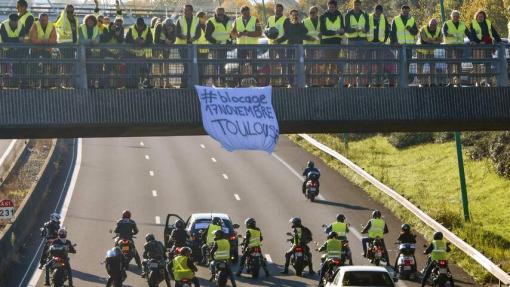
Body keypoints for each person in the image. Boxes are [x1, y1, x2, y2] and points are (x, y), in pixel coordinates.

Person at [469, 10, 501, 87]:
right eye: (479, 16)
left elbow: (493, 32)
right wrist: (476, 41)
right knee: (477, 64)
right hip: (477, 46)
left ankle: (488, 82)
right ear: (476, 17)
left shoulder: (488, 22)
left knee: (488, 64)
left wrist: (499, 40)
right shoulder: (472, 23)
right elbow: (472, 34)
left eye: (482, 16)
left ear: (484, 17)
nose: (480, 18)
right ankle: (477, 82)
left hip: (487, 45)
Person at [232, 5, 262, 86]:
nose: (247, 15)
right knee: (241, 64)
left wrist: (247, 33)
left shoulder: (255, 19)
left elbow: (259, 32)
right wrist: (237, 34)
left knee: (253, 65)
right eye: (245, 13)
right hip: (241, 46)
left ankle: (254, 82)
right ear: (241, 13)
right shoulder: (236, 20)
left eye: (248, 13)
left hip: (252, 46)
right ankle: (240, 83)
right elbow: (233, 32)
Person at [390, 4, 418, 86]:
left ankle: (405, 82)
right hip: (400, 46)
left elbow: (416, 32)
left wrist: (410, 29)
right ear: (401, 10)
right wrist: (394, 42)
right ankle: (399, 82)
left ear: (409, 10)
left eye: (407, 9)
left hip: (409, 45)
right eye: (404, 9)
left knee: (408, 63)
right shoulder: (396, 19)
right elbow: (392, 32)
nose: (405, 11)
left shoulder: (412, 19)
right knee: (399, 63)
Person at [442, 10, 471, 87]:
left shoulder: (462, 24)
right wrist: (451, 35)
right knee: (449, 64)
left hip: (459, 46)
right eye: (454, 16)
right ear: (451, 16)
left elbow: (469, 34)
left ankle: (458, 82)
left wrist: (473, 41)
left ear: (459, 17)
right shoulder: (447, 23)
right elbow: (444, 33)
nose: (456, 17)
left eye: (457, 16)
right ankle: (451, 82)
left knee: (458, 64)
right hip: (449, 46)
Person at [175, 4, 201, 88]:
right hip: (182, 45)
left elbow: (198, 33)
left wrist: (193, 39)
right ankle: (184, 82)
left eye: (187, 10)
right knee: (186, 65)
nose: (185, 12)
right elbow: (177, 32)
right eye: (184, 10)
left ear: (191, 11)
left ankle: (188, 82)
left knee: (192, 65)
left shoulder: (197, 20)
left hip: (192, 46)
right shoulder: (180, 19)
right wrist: (183, 37)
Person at [320, 0, 345, 86]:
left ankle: (330, 81)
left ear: (336, 7)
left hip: (336, 42)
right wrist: (335, 32)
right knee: (326, 63)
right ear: (327, 7)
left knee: (333, 63)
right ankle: (324, 82)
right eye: (329, 7)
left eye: (333, 7)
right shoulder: (323, 16)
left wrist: (342, 31)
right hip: (326, 43)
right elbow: (323, 31)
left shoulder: (340, 16)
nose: (331, 8)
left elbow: (342, 29)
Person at [345, 0, 369, 87]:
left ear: (360, 5)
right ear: (353, 5)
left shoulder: (365, 14)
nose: (357, 6)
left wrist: (364, 30)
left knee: (362, 62)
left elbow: (368, 28)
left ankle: (360, 82)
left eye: (358, 4)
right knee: (351, 62)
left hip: (362, 40)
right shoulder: (348, 15)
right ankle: (352, 82)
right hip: (352, 40)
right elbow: (346, 28)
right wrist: (354, 30)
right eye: (355, 4)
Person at [205, 7, 232, 86]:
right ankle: (215, 83)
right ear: (215, 13)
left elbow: (229, 33)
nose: (220, 16)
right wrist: (216, 42)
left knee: (222, 65)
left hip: (224, 47)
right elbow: (207, 36)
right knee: (215, 66)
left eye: (221, 14)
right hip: (215, 47)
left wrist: (229, 41)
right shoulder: (211, 21)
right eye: (218, 14)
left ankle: (222, 83)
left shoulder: (228, 21)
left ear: (224, 13)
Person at [54, 4, 79, 88]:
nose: (69, 13)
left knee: (70, 65)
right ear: (65, 11)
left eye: (71, 12)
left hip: (73, 45)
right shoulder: (61, 19)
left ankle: (68, 83)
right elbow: (59, 30)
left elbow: (77, 32)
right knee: (64, 64)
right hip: (63, 44)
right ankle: (61, 83)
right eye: (67, 11)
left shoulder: (76, 19)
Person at [29, 13, 57, 89]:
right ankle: (34, 84)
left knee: (46, 68)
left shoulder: (52, 26)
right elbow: (33, 39)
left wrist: (44, 41)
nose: (43, 22)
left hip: (47, 51)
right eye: (41, 20)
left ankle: (45, 84)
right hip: (36, 50)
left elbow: (54, 39)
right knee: (34, 67)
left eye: (45, 20)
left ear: (47, 20)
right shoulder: (35, 25)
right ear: (39, 19)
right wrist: (45, 41)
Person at [266, 4, 291, 86]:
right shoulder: (270, 18)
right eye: (277, 10)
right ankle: (272, 81)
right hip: (271, 45)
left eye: (280, 10)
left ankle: (283, 81)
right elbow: (266, 29)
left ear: (282, 11)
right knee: (272, 63)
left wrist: (278, 41)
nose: (278, 11)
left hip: (282, 45)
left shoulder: (286, 20)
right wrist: (266, 32)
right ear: (274, 10)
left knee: (283, 63)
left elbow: (288, 34)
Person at [125, 17, 153, 89]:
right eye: (139, 26)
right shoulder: (131, 29)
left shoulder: (147, 29)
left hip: (143, 54)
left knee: (144, 70)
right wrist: (135, 41)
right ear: (136, 24)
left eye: (141, 26)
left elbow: (150, 40)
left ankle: (145, 84)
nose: (140, 27)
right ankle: (133, 85)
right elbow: (127, 40)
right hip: (133, 54)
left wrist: (144, 42)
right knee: (133, 70)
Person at [367, 4, 389, 87]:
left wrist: (384, 40)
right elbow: (365, 28)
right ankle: (369, 82)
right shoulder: (369, 17)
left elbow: (387, 30)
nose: (378, 12)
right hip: (370, 43)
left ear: (381, 12)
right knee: (369, 63)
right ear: (374, 10)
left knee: (379, 63)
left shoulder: (384, 18)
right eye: (377, 10)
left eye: (380, 11)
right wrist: (366, 40)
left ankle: (379, 82)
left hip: (380, 43)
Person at [0, 14, 25, 88]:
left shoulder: (21, 25)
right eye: (12, 22)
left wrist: (14, 40)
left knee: (16, 66)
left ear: (17, 21)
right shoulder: (3, 25)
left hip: (15, 49)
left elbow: (22, 38)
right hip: (4, 49)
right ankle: (4, 83)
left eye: (15, 22)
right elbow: (5, 39)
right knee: (4, 67)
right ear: (9, 21)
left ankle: (14, 83)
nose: (14, 23)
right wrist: (17, 39)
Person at [416, 18, 442, 87]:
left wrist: (431, 41)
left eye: (434, 25)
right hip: (421, 51)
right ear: (428, 24)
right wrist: (435, 41)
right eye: (431, 24)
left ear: (436, 25)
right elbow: (423, 41)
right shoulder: (423, 29)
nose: (432, 26)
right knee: (420, 67)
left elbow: (440, 40)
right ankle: (422, 83)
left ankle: (432, 83)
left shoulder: (439, 30)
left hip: (431, 51)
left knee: (432, 67)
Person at [79, 14, 101, 89]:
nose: (90, 22)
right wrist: (90, 41)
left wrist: (94, 42)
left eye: (92, 20)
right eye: (89, 20)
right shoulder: (81, 27)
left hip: (94, 52)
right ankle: (86, 84)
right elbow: (81, 39)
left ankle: (93, 84)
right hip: (84, 52)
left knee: (93, 68)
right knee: (85, 68)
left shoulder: (96, 28)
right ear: (86, 20)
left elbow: (98, 39)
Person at [153, 18, 176, 88]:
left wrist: (170, 34)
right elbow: (156, 39)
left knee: (166, 65)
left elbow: (174, 39)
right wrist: (165, 41)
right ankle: (159, 83)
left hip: (166, 49)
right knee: (158, 65)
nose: (168, 27)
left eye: (169, 26)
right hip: (157, 49)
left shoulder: (174, 27)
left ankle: (167, 83)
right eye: (166, 25)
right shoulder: (159, 26)